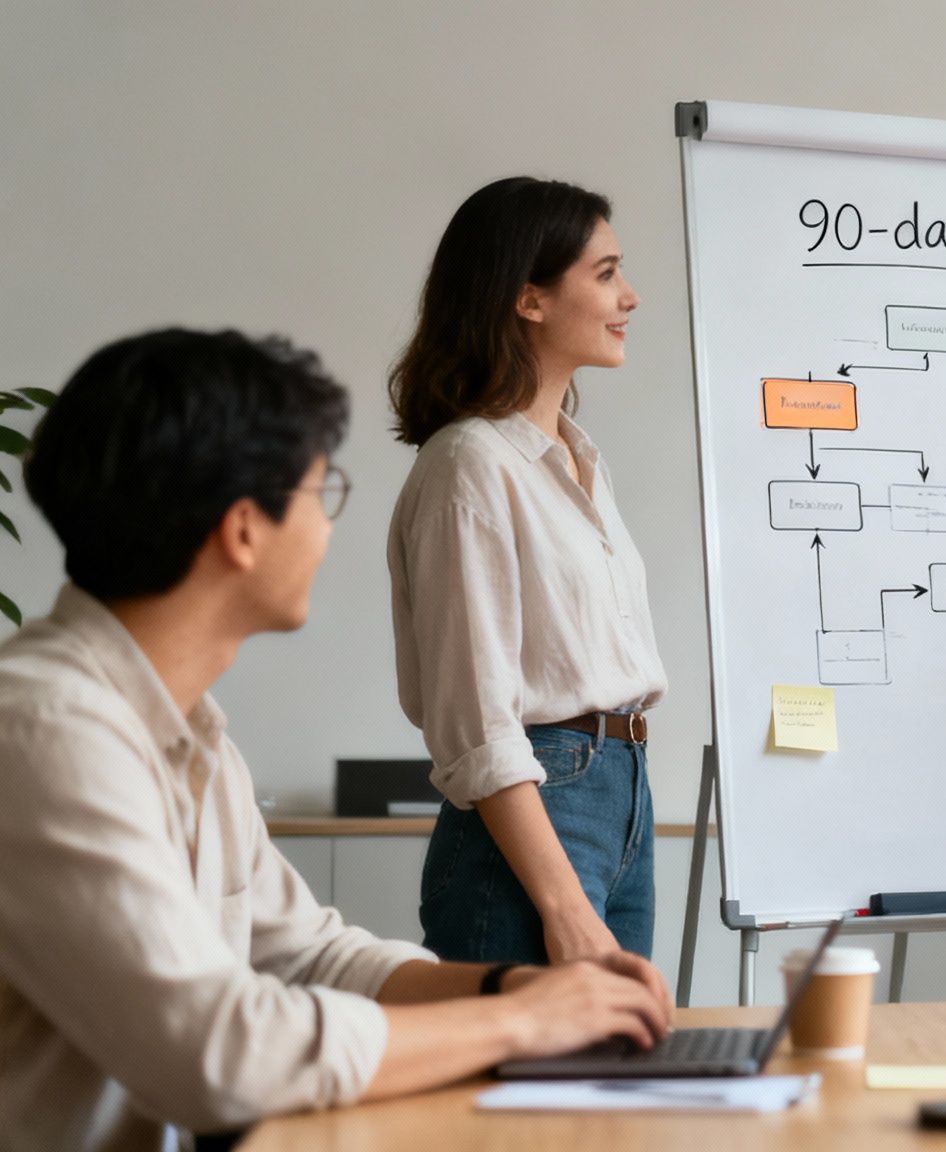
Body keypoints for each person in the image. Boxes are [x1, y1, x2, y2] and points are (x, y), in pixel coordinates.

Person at [0, 328, 672, 1152]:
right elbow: (218, 1051)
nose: (327, 527)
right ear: (244, 530)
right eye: (325, 490)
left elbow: (311, 955)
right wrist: (522, 1023)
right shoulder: (43, 732)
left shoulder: (190, 737)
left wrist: (511, 986)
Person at [388, 176, 667, 966]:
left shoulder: (578, 460)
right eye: (606, 273)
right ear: (529, 299)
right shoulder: (470, 464)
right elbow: (476, 720)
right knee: (529, 1083)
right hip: (545, 809)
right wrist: (563, 905)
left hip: (624, 792)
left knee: (611, 1077)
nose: (631, 297)